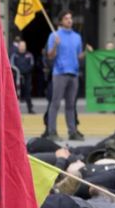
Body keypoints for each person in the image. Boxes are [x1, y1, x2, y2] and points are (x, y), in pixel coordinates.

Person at [44, 10, 85, 141]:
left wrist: (87, 53)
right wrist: (55, 44)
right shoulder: (54, 35)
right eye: (67, 18)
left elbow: (78, 56)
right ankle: (52, 132)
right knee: (55, 103)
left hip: (74, 73)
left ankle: (72, 132)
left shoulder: (77, 37)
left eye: (71, 18)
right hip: (59, 73)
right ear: (61, 21)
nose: (70, 20)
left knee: (71, 105)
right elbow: (50, 56)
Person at [11, 40, 35, 114]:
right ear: (18, 47)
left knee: (28, 92)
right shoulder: (14, 55)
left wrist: (25, 71)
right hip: (17, 77)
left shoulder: (29, 55)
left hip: (27, 76)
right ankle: (14, 110)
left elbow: (31, 65)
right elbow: (11, 65)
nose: (22, 47)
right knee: (15, 93)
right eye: (21, 46)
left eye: (23, 46)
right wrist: (18, 72)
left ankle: (30, 108)